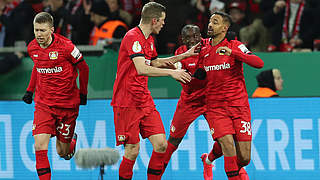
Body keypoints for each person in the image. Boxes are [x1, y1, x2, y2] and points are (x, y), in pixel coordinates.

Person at [110, 2, 199, 180]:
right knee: (132, 151)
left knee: (161, 145)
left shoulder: (149, 39)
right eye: (163, 21)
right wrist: (172, 73)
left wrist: (185, 55)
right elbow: (142, 68)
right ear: (154, 20)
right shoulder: (132, 38)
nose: (164, 24)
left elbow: (155, 62)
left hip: (144, 99)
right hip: (126, 101)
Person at [22, 12, 89, 180]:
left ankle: (71, 141)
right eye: (36, 30)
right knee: (39, 146)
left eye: (43, 31)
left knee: (63, 152)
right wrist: (30, 91)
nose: (39, 35)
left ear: (52, 30)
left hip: (67, 106)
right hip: (44, 105)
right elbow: (38, 67)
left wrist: (83, 93)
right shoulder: (32, 48)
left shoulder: (66, 47)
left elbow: (84, 68)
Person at [197, 11, 264, 180]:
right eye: (210, 21)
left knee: (244, 158)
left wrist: (233, 53)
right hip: (216, 108)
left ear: (225, 28)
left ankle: (209, 159)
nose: (210, 25)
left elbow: (258, 63)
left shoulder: (235, 45)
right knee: (228, 147)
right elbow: (198, 71)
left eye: (216, 22)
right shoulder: (203, 49)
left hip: (239, 107)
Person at [161, 24, 208, 177]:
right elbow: (183, 78)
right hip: (189, 102)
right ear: (182, 40)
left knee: (226, 139)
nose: (193, 40)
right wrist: (196, 77)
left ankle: (209, 161)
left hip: (210, 99)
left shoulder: (209, 46)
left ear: (200, 35)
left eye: (196, 36)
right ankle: (156, 174)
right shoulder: (179, 54)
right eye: (188, 37)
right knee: (173, 141)